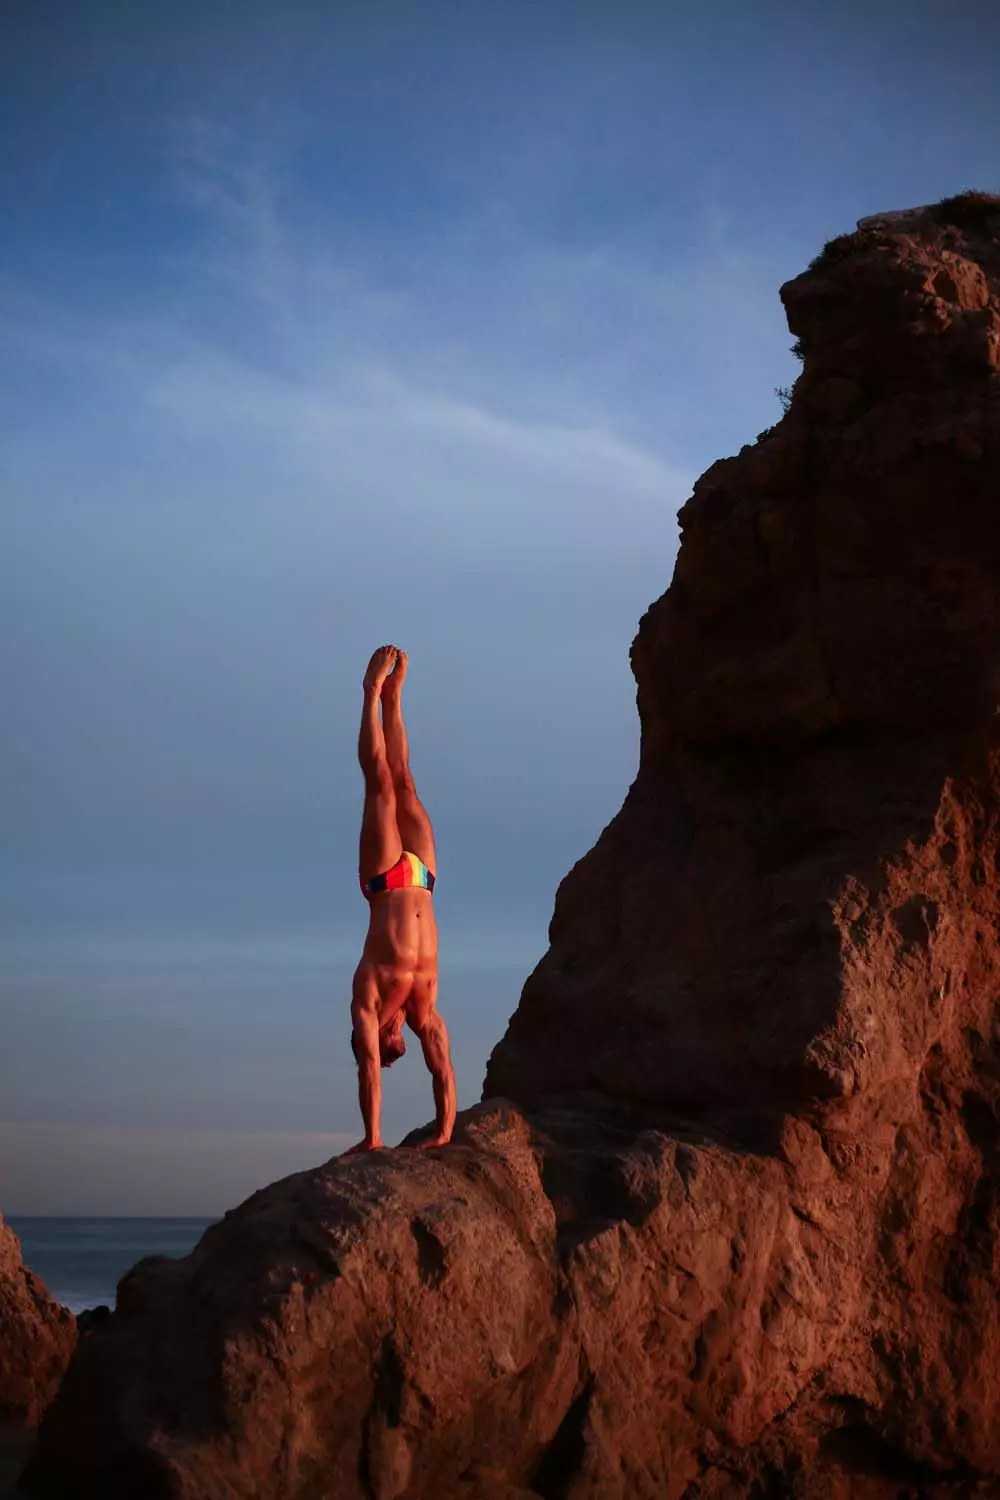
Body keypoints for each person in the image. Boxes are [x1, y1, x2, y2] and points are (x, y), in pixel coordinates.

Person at [345, 645, 456, 1153]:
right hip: (422, 879)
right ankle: (388, 696)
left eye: (390, 1055)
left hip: (386, 879)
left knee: (386, 785)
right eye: (395, 1055)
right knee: (400, 782)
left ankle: (379, 695)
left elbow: (367, 1068)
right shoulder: (424, 1011)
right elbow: (443, 1069)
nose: (392, 1055)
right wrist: (445, 1130)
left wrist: (372, 1139)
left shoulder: (368, 1001)